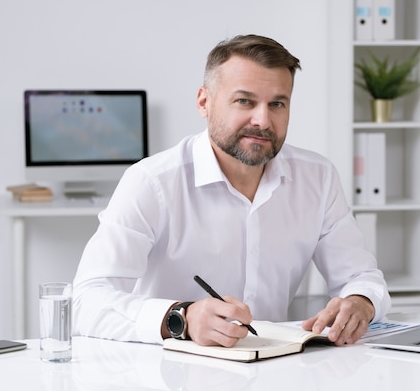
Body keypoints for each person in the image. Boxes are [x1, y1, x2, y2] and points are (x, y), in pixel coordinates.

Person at [72, 34, 390, 348]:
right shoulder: (152, 182)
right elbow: (86, 302)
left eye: (277, 104)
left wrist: (361, 301)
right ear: (204, 102)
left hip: (275, 368)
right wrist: (182, 318)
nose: (262, 120)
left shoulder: (317, 177)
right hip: (168, 371)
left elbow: (361, 276)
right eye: (244, 101)